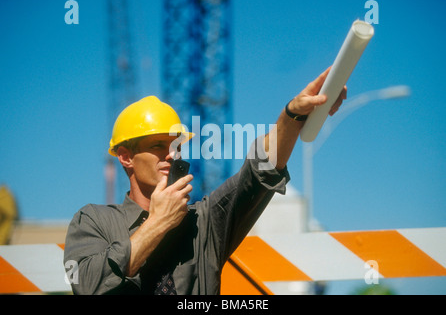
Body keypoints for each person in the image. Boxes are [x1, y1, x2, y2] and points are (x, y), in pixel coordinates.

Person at [63, 67, 346, 295]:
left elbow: (260, 173)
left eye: (176, 146)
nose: (171, 155)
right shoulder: (92, 221)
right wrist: (158, 222)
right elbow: (89, 287)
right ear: (126, 157)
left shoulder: (204, 223)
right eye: (158, 145)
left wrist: (292, 116)